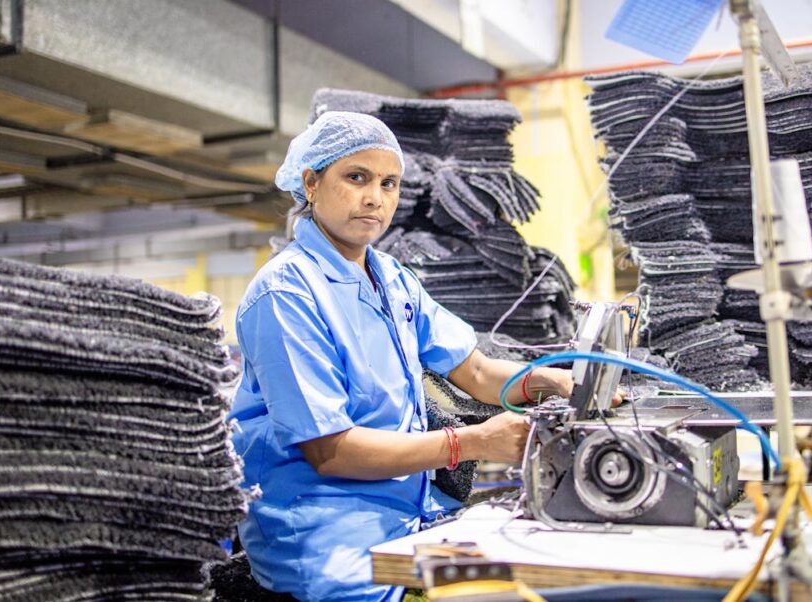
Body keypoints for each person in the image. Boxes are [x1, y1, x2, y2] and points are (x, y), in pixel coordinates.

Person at [229, 111, 576, 601]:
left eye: (389, 183)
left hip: (403, 522)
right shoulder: (286, 295)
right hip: (326, 545)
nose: (376, 197)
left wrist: (558, 381)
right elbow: (330, 451)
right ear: (311, 182)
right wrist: (473, 442)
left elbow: (474, 371)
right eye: (357, 178)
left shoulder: (390, 278)